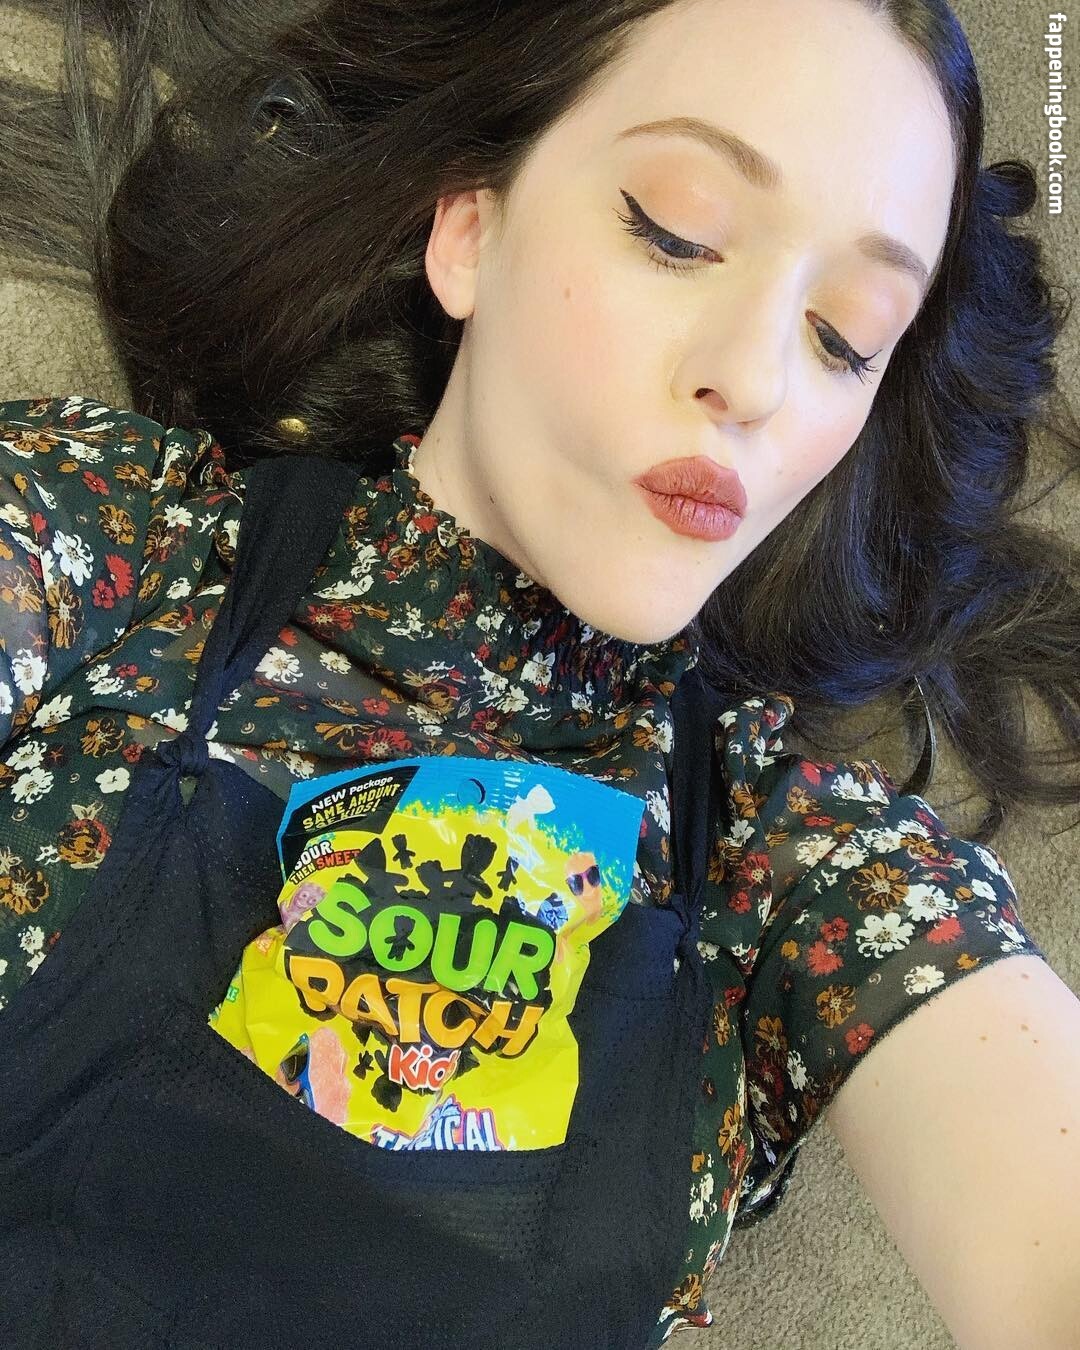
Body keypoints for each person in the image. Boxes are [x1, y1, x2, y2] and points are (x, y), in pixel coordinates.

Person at [0, 0, 1077, 1346]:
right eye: (676, 232)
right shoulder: (106, 543)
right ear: (470, 227)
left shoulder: (792, 871)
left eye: (845, 336)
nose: (755, 381)